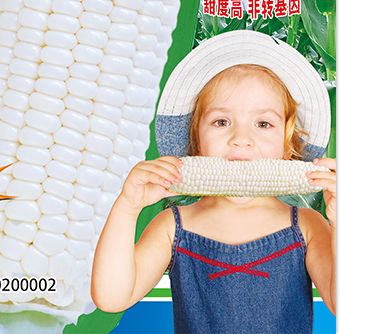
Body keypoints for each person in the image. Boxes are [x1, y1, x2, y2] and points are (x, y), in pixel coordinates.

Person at [91, 30, 336, 333]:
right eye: (221, 122)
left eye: (263, 124)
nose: (241, 138)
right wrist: (127, 207)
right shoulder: (172, 226)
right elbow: (112, 297)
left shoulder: (307, 227)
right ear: (196, 142)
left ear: (288, 147)